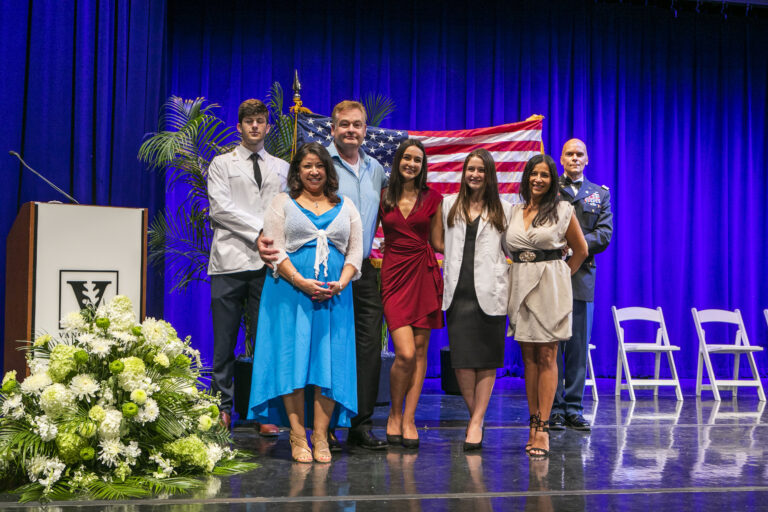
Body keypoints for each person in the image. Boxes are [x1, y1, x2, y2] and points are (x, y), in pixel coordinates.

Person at [258, 101, 389, 450]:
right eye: (344, 124)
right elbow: (275, 233)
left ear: (365, 130)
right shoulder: (320, 162)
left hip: (354, 275)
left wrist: (347, 275)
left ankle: (358, 424)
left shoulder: (376, 169)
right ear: (332, 128)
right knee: (303, 353)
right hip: (300, 284)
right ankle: (316, 432)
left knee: (362, 351)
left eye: (357, 125)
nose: (351, 130)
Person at [246, 142, 363, 463]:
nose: (314, 172)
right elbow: (274, 249)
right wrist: (299, 280)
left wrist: (340, 282)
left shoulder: (347, 205)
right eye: (307, 166)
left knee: (329, 363)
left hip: (334, 298)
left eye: (320, 166)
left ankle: (321, 437)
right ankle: (298, 436)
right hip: (289, 294)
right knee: (292, 361)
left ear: (328, 170)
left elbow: (355, 251)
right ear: (297, 171)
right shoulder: (281, 202)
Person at [207, 98, 287, 435]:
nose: (254, 126)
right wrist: (258, 232)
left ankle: (262, 410)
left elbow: (286, 210)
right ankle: (222, 407)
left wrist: (273, 241)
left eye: (260, 121)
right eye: (248, 121)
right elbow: (219, 209)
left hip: (267, 263)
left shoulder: (282, 167)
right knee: (224, 342)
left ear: (268, 127)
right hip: (229, 262)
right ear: (239, 127)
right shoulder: (222, 163)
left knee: (265, 340)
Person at [505, 153, 588, 458]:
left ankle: (543, 430)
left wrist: (562, 276)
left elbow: (580, 249)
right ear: (526, 177)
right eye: (533, 174)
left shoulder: (563, 210)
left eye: (545, 175)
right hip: (520, 284)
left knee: (547, 355)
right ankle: (533, 422)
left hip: (550, 285)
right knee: (528, 358)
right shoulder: (514, 211)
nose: (538, 179)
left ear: (553, 181)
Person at [431, 149, 513, 451]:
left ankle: (476, 421)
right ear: (464, 173)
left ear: (489, 174)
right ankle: (475, 416)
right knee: (463, 361)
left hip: (491, 292)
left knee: (487, 360)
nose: (475, 174)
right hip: (458, 292)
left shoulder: (505, 208)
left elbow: (510, 247)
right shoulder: (448, 204)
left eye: (480, 170)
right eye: (470, 169)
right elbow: (438, 241)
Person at [380, 138, 443, 449]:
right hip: (393, 275)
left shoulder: (434, 198)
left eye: (417, 160)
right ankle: (394, 412)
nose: (411, 164)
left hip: (423, 274)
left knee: (420, 352)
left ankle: (409, 419)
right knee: (404, 353)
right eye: (407, 158)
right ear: (398, 161)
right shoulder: (383, 197)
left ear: (423, 165)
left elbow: (439, 242)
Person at [549, 139, 613, 432]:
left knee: (576, 347)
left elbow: (604, 233)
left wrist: (577, 246)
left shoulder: (599, 194)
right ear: (561, 159)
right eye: (569, 154)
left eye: (579, 154)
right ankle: (553, 408)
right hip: (549, 275)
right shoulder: (550, 188)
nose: (574, 158)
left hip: (582, 277)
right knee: (552, 346)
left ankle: (574, 408)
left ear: (587, 160)